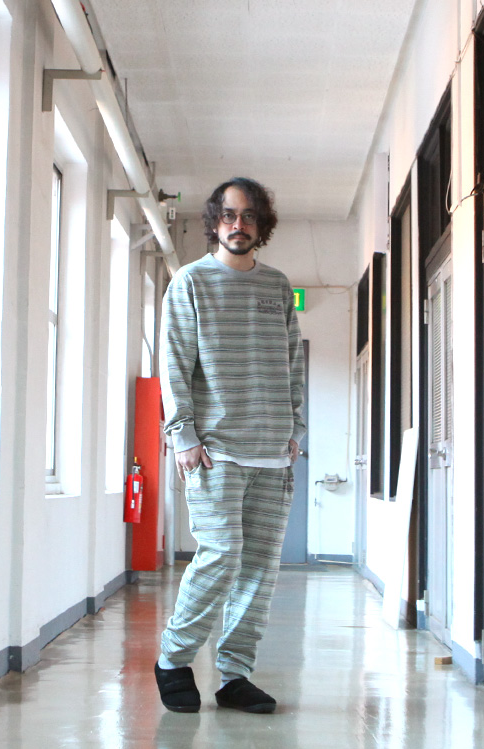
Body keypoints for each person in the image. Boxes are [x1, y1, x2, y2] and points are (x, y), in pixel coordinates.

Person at [154, 177, 305, 714]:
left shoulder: (278, 286)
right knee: (220, 555)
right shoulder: (190, 282)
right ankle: (173, 659)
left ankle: (235, 675)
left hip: (272, 453)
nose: (238, 225)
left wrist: (295, 430)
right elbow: (174, 364)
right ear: (215, 221)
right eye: (229, 215)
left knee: (259, 568)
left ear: (262, 225)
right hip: (214, 451)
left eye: (249, 216)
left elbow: (293, 362)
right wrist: (182, 435)